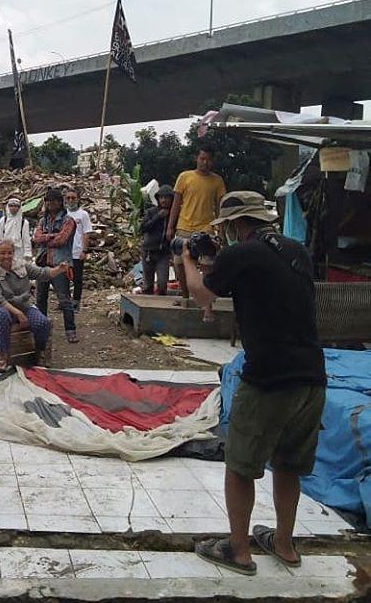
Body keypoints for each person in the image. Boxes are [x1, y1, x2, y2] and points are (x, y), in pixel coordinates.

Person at [183, 191, 326, 576]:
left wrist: (186, 259)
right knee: (288, 464)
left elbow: (200, 293)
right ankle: (284, 545)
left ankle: (238, 550)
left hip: (268, 377)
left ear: (233, 225)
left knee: (241, 464)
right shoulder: (297, 251)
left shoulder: (241, 253)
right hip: (312, 375)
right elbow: (266, 291)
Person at [0, 239, 69, 372]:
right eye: (2, 253)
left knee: (42, 323)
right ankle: (3, 357)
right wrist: (18, 314)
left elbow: (42, 273)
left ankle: (40, 352)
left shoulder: (21, 266)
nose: (6, 256)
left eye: (9, 253)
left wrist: (59, 269)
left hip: (25, 305)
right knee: (0, 316)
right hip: (3, 307)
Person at [166, 145, 226, 321]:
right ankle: (185, 297)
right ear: (196, 158)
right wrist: (170, 227)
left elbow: (220, 207)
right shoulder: (184, 177)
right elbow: (176, 204)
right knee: (179, 265)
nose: (205, 162)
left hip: (206, 229)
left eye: (208, 159)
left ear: (212, 161)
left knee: (207, 267)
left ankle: (207, 308)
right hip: (184, 227)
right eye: (202, 158)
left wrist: (221, 231)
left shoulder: (217, 181)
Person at [33, 188, 78, 343]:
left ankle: (70, 330)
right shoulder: (42, 221)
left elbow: (62, 240)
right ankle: (41, 329)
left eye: (53, 201)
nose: (49, 204)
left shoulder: (68, 221)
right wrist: (51, 236)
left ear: (60, 202)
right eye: (47, 201)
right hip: (43, 265)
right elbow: (36, 238)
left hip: (60, 266)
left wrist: (46, 238)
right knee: (40, 299)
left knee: (64, 299)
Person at [140, 185, 174, 295]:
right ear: (158, 199)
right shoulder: (151, 212)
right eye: (161, 197)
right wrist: (158, 217)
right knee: (148, 285)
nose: (164, 200)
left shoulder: (173, 215)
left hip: (163, 253)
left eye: (167, 197)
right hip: (149, 251)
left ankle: (161, 307)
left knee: (162, 283)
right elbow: (143, 228)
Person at [63, 187, 92, 311]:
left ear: (78, 199)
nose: (71, 200)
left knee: (77, 279)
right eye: (68, 198)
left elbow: (86, 233)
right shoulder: (63, 214)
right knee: (63, 278)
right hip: (64, 252)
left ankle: (76, 302)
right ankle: (65, 302)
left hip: (77, 251)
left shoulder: (83, 214)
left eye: (73, 198)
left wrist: (84, 251)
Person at [0, 197, 32, 269]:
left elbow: (26, 239)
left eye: (16, 206)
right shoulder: (3, 220)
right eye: (11, 206)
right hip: (5, 252)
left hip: (19, 252)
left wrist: (27, 254)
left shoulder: (24, 222)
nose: (13, 208)